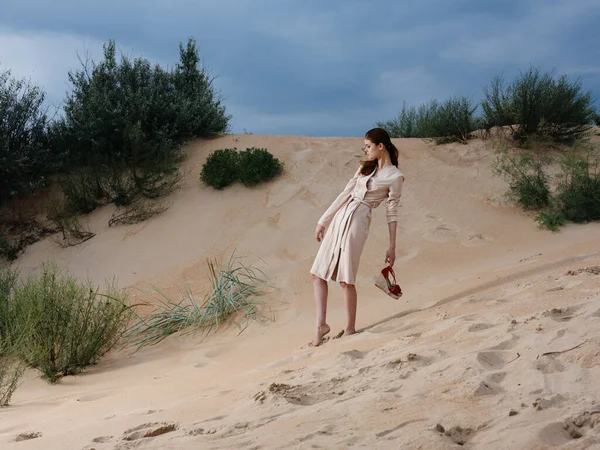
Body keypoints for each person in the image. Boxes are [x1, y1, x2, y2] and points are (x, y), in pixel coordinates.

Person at [310, 127, 405, 346]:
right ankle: (320, 325)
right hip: (341, 217)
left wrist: (392, 246)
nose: (366, 150)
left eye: (368, 146)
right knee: (317, 273)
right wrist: (323, 221)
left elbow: (392, 212)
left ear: (380, 146)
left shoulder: (395, 177)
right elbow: (345, 193)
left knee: (346, 278)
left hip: (359, 220)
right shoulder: (364, 167)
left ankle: (350, 328)